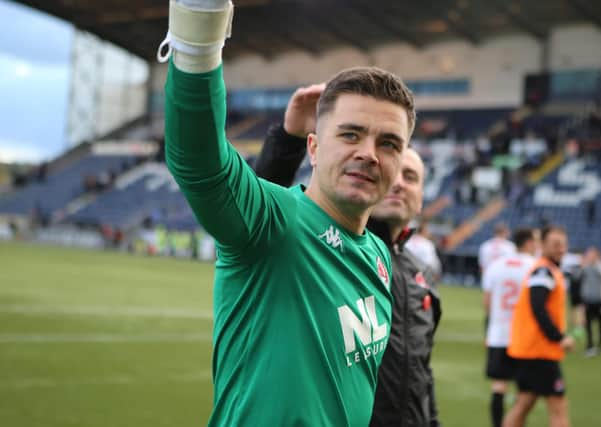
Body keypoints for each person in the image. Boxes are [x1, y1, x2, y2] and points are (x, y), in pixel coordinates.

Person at [159, 1, 416, 425]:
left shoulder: (378, 256)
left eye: (388, 143)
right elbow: (199, 161)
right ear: (313, 148)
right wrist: (198, 27)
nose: (368, 154)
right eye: (350, 134)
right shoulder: (273, 222)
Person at [253, 84, 442, 427]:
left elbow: (422, 376)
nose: (399, 183)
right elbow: (264, 217)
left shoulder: (422, 277)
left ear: (422, 195)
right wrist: (290, 138)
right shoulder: (324, 245)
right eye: (396, 173)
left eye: (411, 177)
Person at [503, 225, 575, 427]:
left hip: (531, 349)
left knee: (525, 402)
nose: (561, 249)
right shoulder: (544, 271)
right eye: (555, 244)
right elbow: (538, 307)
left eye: (563, 244)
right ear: (542, 245)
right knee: (558, 406)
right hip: (540, 351)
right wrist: (559, 337)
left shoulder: (546, 270)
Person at [481, 228, 537, 427]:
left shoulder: (496, 265)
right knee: (525, 390)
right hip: (523, 336)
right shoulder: (534, 266)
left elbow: (487, 302)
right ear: (529, 243)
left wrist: (493, 323)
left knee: (498, 386)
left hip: (498, 334)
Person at [580, 248, 601, 356]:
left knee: (600, 323)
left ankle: (600, 346)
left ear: (596, 256)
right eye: (588, 255)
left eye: (592, 255)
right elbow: (580, 278)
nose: (590, 257)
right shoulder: (586, 266)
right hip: (588, 299)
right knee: (587, 324)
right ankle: (590, 346)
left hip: (599, 300)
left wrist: (596, 265)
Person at [405, 217, 442, 283]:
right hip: (422, 275)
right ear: (423, 231)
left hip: (406, 273)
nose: (429, 233)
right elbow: (432, 264)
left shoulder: (407, 240)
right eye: (427, 230)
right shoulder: (427, 244)